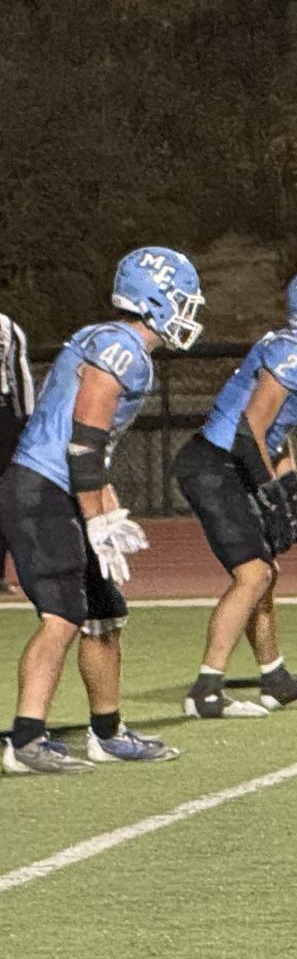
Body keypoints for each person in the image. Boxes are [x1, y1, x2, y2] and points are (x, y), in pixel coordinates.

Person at [0, 247, 204, 773]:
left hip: (62, 488)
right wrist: (98, 517)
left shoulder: (115, 342)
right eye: (181, 300)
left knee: (104, 613)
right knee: (62, 616)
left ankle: (108, 731)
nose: (187, 311)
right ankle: (25, 740)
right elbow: (82, 446)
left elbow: (94, 455)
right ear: (154, 298)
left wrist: (106, 505)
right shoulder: (119, 347)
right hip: (43, 489)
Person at [174, 266, 297, 719]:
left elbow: (280, 431)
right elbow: (249, 430)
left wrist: (291, 485)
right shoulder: (291, 352)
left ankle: (275, 678)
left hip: (237, 461)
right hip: (214, 463)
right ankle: (206, 689)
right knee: (253, 575)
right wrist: (268, 489)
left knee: (265, 574)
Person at [0, 309, 34, 591]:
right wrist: (27, 421)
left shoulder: (7, 327)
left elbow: (20, 379)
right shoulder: (6, 327)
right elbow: (20, 380)